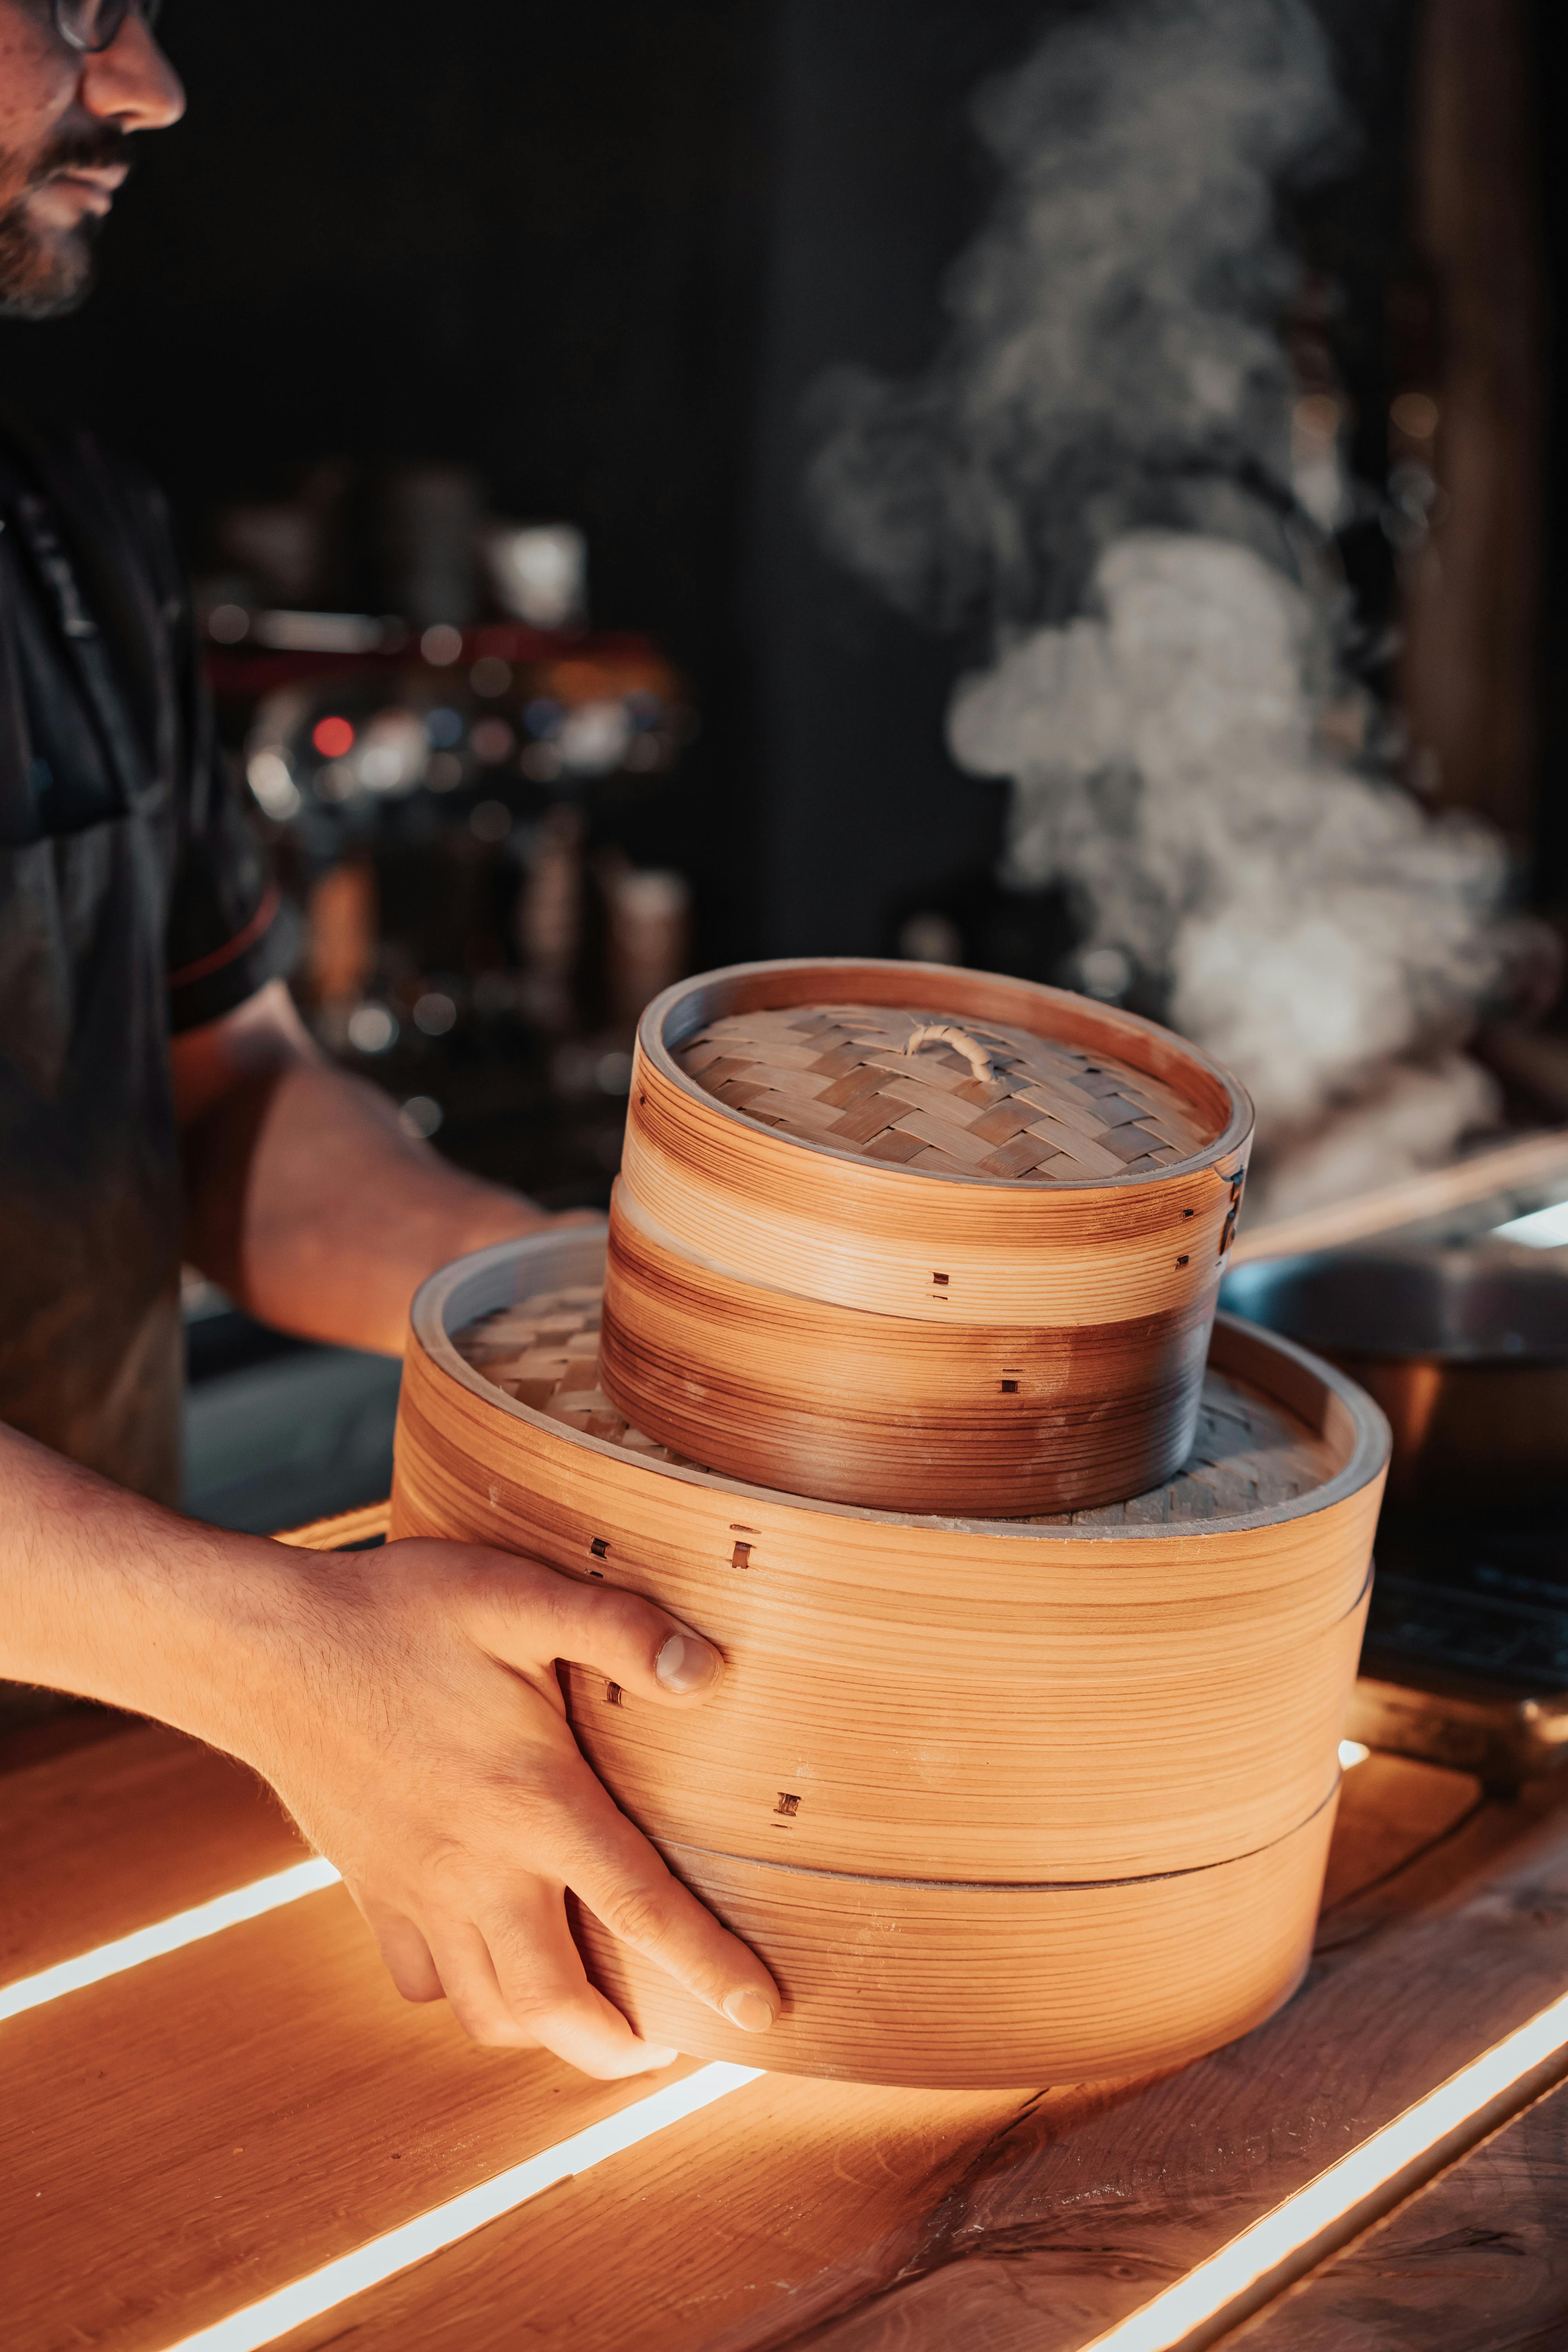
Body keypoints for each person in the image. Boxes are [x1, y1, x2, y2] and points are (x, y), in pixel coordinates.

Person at [0, 0, 778, 2078]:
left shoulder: (61, 532)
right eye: (66, 7)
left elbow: (228, 1100)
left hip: (65, 1781)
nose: (150, 82)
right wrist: (280, 1655)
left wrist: (609, 1328)